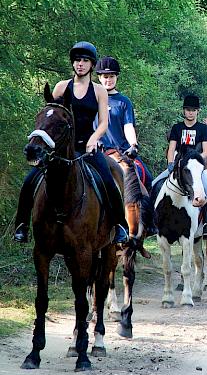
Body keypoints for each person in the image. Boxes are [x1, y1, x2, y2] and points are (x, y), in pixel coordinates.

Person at [13, 41, 128, 244]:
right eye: (77, 60)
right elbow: (50, 116)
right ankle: (21, 226)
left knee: (109, 182)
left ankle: (120, 226)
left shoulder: (99, 91)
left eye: (84, 60)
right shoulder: (61, 87)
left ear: (92, 64)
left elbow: (103, 123)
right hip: (60, 150)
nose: (80, 64)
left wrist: (94, 140)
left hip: (87, 148)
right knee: (29, 181)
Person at [153, 94, 207, 236]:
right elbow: (172, 148)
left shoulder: (203, 129)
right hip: (178, 166)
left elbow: (206, 151)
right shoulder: (177, 128)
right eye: (188, 110)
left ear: (198, 111)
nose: (190, 112)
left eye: (193, 110)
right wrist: (170, 163)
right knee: (154, 184)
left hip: (195, 167)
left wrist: (194, 160)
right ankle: (152, 221)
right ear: (184, 111)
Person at [94, 56, 153, 191]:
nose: (108, 80)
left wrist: (133, 144)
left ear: (116, 77)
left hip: (121, 152)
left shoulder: (124, 102)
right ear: (99, 78)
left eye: (111, 76)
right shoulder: (92, 99)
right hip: (97, 151)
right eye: (105, 76)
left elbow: (128, 126)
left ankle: (145, 211)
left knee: (148, 179)